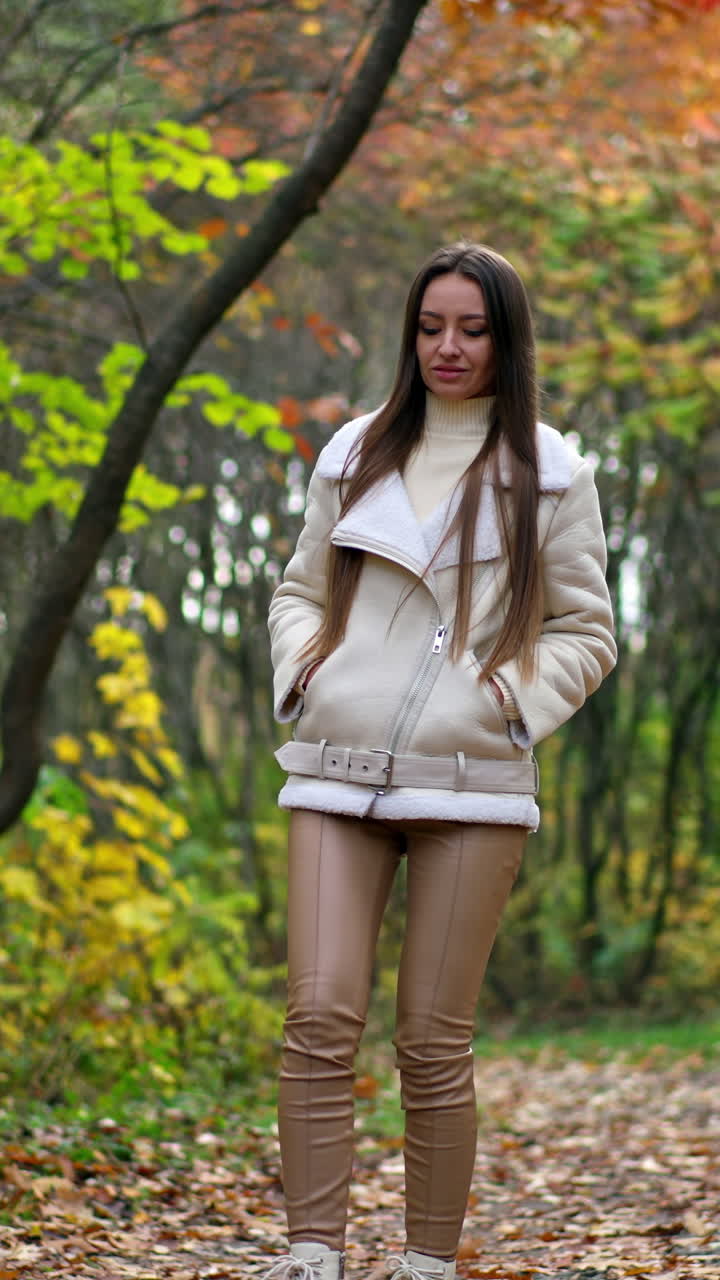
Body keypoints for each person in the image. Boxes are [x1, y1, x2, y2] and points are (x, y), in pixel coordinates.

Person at [264, 242, 616, 1280]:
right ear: (410, 334)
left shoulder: (552, 473)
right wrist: (308, 673)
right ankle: (312, 1252)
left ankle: (424, 1260)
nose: (448, 347)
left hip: (473, 782)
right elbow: (296, 590)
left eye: (471, 328)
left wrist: (503, 697)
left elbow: (589, 632)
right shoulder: (351, 454)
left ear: (506, 340)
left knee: (430, 1038)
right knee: (320, 1012)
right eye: (430, 327)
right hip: (336, 762)